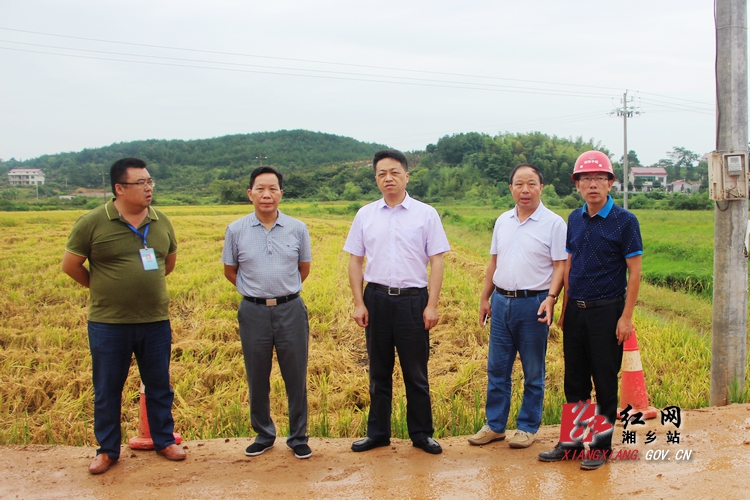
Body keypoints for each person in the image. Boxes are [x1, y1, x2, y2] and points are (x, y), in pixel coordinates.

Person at [61, 157, 185, 475]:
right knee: (107, 387)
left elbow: (166, 263)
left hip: (155, 320)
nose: (148, 188)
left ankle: (163, 440)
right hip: (108, 323)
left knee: (159, 384)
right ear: (119, 188)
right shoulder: (92, 222)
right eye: (140, 183)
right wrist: (102, 288)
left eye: (150, 182)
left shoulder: (161, 222)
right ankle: (107, 450)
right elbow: (71, 265)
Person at [538, 150, 643, 470]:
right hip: (578, 310)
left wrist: (626, 317)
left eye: (599, 178)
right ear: (578, 185)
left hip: (607, 311)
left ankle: (600, 446)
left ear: (610, 183)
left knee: (605, 381)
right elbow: (570, 262)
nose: (592, 184)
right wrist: (563, 303)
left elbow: (635, 272)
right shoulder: (574, 218)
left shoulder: (625, 221)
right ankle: (571, 443)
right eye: (586, 178)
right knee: (576, 381)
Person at [344, 149, 450, 455]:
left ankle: (421, 434)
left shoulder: (425, 213)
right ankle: (378, 433)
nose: (387, 178)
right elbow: (355, 261)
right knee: (378, 372)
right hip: (376, 299)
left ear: (406, 175)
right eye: (381, 174)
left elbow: (437, 261)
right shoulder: (365, 214)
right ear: (376, 179)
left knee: (416, 373)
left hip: (413, 301)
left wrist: (432, 304)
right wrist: (358, 302)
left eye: (393, 172)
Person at [468, 163, 566, 450]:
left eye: (531, 184)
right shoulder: (503, 220)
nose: (525, 190)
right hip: (501, 302)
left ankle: (526, 427)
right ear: (510, 187)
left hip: (533, 303)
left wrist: (551, 298)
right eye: (519, 184)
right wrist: (485, 298)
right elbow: (493, 263)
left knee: (533, 370)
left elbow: (561, 265)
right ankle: (495, 425)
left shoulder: (554, 223)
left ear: (541, 188)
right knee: (497, 368)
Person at [222, 166, 313, 460]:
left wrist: (282, 291)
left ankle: (298, 436)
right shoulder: (236, 230)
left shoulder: (297, 228)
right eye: (260, 189)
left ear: (281, 194)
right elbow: (230, 270)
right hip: (253, 311)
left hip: (291, 309)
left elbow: (304, 268)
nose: (267, 195)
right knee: (257, 374)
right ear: (250, 194)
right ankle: (264, 433)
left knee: (296, 374)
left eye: (273, 189)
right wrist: (256, 292)